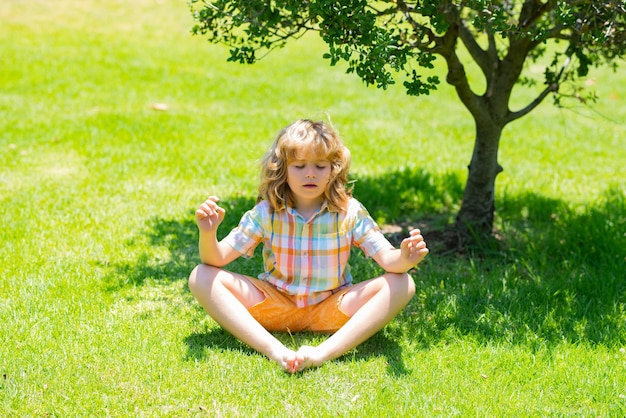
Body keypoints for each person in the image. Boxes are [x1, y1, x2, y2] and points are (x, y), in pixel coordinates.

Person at [188, 119, 429, 373]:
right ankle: (273, 349)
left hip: (332, 307)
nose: (310, 173)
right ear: (283, 170)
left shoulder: (349, 212)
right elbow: (215, 260)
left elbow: (389, 260)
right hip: (274, 304)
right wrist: (208, 232)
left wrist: (405, 257)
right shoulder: (266, 213)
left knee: (404, 283)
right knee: (200, 276)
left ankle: (322, 353)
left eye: (320, 166)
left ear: (333, 170)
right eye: (300, 166)